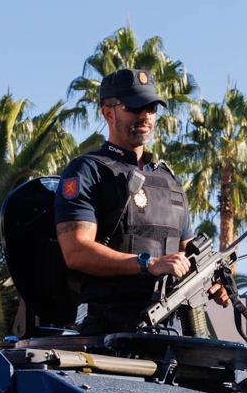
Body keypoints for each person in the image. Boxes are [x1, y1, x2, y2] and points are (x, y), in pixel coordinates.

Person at [54, 68, 195, 335]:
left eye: (151, 108)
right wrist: (148, 264)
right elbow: (76, 251)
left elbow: (188, 252)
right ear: (108, 112)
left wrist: (215, 283)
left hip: (169, 334)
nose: (145, 115)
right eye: (134, 106)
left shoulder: (170, 181)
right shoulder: (87, 171)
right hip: (107, 334)